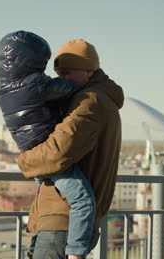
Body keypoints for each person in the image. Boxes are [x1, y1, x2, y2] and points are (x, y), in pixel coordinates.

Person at [18, 38, 124, 259]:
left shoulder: (90, 101)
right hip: (65, 219)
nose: (62, 80)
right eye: (59, 74)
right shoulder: (101, 98)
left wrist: (25, 160)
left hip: (63, 219)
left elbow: (58, 151)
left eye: (68, 73)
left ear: (89, 71)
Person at [0, 31, 96, 258]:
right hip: (46, 151)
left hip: (29, 148)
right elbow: (69, 89)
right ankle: (76, 252)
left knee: (43, 198)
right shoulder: (34, 84)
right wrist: (90, 84)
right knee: (82, 200)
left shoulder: (5, 87)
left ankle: (34, 245)